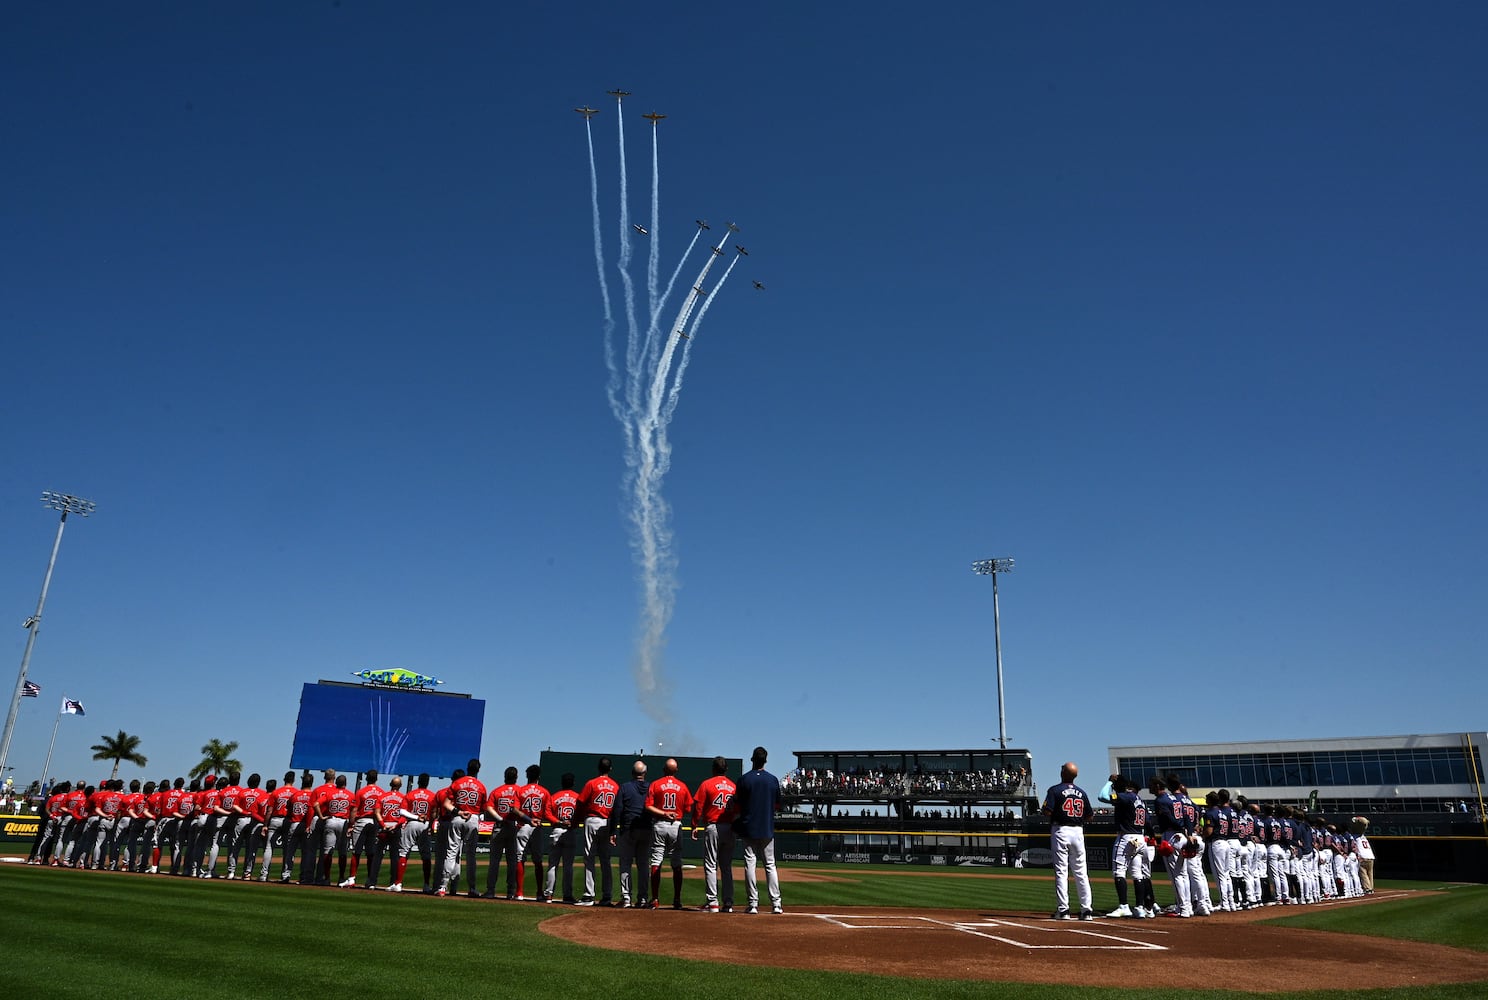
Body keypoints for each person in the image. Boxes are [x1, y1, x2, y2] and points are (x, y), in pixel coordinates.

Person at [732, 746, 782, 915]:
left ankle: (753, 904)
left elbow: (737, 805)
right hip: (767, 827)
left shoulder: (744, 779)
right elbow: (777, 805)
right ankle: (776, 904)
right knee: (770, 865)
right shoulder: (773, 780)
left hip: (748, 827)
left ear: (752, 759)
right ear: (765, 761)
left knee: (750, 865)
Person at [1040, 761, 1093, 920]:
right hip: (1078, 832)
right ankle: (1087, 910)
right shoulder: (1082, 792)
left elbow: (1047, 811)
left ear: (1063, 773)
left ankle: (1063, 910)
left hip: (1061, 830)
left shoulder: (1054, 790)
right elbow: (1090, 816)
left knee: (1061, 872)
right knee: (1081, 873)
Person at [645, 758, 694, 909]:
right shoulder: (682, 786)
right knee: (676, 863)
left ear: (664, 770)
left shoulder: (656, 784)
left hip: (659, 824)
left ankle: (655, 899)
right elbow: (687, 809)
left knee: (656, 861)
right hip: (676, 825)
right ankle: (677, 900)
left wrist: (663, 813)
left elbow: (648, 806)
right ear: (676, 770)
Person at [691, 755, 737, 913]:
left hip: (713, 826)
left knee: (711, 865)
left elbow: (698, 806)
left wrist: (694, 824)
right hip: (730, 827)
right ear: (726, 769)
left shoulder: (707, 784)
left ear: (713, 768)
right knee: (726, 867)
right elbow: (739, 809)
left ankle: (712, 902)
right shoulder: (733, 786)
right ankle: (728, 903)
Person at [436, 758, 485, 898]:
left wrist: (459, 812)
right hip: (473, 818)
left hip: (457, 817)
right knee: (471, 856)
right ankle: (472, 888)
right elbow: (482, 809)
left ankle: (442, 887)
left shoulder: (457, 783)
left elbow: (446, 804)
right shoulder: (481, 786)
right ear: (478, 770)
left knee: (451, 853)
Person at [1103, 776, 1151, 918]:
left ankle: (1124, 906)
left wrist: (1109, 782)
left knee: (1119, 871)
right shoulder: (1140, 800)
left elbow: (1102, 796)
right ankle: (1140, 908)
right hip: (1140, 837)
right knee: (1137, 874)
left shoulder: (1126, 796)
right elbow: (1147, 821)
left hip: (1127, 837)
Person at [608, 760, 652, 908]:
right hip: (646, 829)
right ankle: (643, 898)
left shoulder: (625, 787)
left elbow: (618, 809)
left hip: (629, 829)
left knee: (626, 863)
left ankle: (626, 898)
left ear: (633, 773)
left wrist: (613, 830)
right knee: (644, 864)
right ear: (644, 773)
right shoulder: (651, 788)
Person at [576, 756, 618, 906]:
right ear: (610, 769)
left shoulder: (592, 783)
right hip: (607, 822)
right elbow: (617, 809)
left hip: (592, 820)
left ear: (598, 768)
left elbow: (580, 803)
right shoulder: (615, 786)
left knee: (589, 858)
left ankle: (589, 895)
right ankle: (607, 896)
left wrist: (576, 820)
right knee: (605, 860)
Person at [342, 769, 386, 888]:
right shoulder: (382, 792)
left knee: (357, 851)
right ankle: (370, 881)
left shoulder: (361, 791)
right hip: (375, 822)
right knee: (370, 852)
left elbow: (354, 810)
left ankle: (351, 879)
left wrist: (351, 825)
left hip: (362, 821)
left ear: (366, 778)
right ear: (376, 778)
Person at [392, 773, 436, 893]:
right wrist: (431, 826)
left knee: (403, 853)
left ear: (418, 782)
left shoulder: (410, 794)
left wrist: (416, 817)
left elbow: (401, 811)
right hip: (425, 824)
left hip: (412, 823)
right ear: (427, 782)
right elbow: (434, 813)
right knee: (426, 856)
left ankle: (398, 883)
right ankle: (426, 885)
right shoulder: (432, 795)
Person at [541, 773, 581, 903]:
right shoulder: (577, 797)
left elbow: (547, 813)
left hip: (557, 830)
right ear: (573, 783)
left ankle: (548, 894)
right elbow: (581, 814)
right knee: (568, 866)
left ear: (562, 783)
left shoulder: (554, 796)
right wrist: (573, 823)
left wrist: (558, 822)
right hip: (570, 831)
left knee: (553, 864)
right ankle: (567, 895)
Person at [483, 767, 522, 898]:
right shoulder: (520, 791)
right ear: (516, 777)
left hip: (499, 826)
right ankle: (511, 891)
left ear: (504, 776)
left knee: (494, 861)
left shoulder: (497, 791)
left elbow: (489, 808)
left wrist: (500, 818)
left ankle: (490, 890)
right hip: (514, 826)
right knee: (512, 861)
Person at [514, 764, 551, 901]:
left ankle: (519, 893)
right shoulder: (545, 792)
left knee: (519, 859)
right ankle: (540, 893)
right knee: (538, 861)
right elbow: (548, 813)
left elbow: (515, 810)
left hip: (523, 825)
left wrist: (528, 819)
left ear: (527, 776)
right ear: (539, 777)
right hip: (537, 826)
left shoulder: (520, 790)